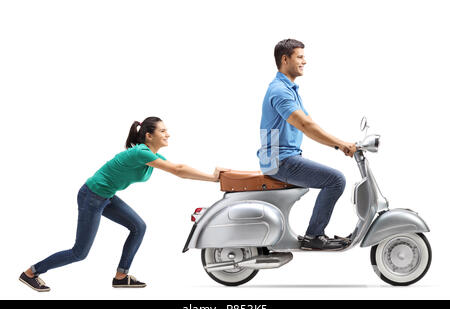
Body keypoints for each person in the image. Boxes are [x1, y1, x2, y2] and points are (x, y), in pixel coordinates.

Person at [20, 116, 227, 291]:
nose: (168, 134)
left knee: (138, 226)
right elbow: (179, 170)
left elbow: (179, 170)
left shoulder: (150, 155)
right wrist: (213, 178)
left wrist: (212, 178)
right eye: (163, 131)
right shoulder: (140, 153)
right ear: (149, 135)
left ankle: (121, 277)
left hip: (105, 195)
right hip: (91, 196)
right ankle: (31, 272)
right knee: (79, 253)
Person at [257, 39, 357, 251]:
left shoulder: (289, 89)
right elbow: (306, 125)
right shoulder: (280, 91)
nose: (305, 61)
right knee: (335, 180)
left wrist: (343, 142)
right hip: (279, 160)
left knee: (332, 178)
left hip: (281, 157)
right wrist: (341, 145)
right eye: (300, 56)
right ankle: (313, 236)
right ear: (285, 59)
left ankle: (314, 234)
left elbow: (311, 125)